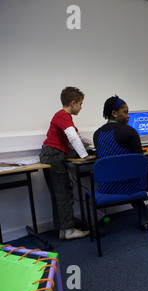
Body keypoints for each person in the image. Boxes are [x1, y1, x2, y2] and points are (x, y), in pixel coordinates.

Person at [93, 95, 148, 232]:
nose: (128, 116)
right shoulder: (130, 131)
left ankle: (145, 219)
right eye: (125, 112)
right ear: (114, 113)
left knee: (128, 179)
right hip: (128, 184)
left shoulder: (97, 134)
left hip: (107, 187)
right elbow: (140, 163)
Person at [40, 86, 95, 240]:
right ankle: (69, 230)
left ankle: (63, 230)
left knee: (59, 193)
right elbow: (73, 137)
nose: (81, 107)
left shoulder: (64, 117)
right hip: (54, 155)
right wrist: (84, 156)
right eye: (81, 104)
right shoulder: (63, 115)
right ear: (73, 103)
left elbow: (79, 136)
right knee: (64, 192)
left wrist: (97, 143)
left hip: (49, 155)